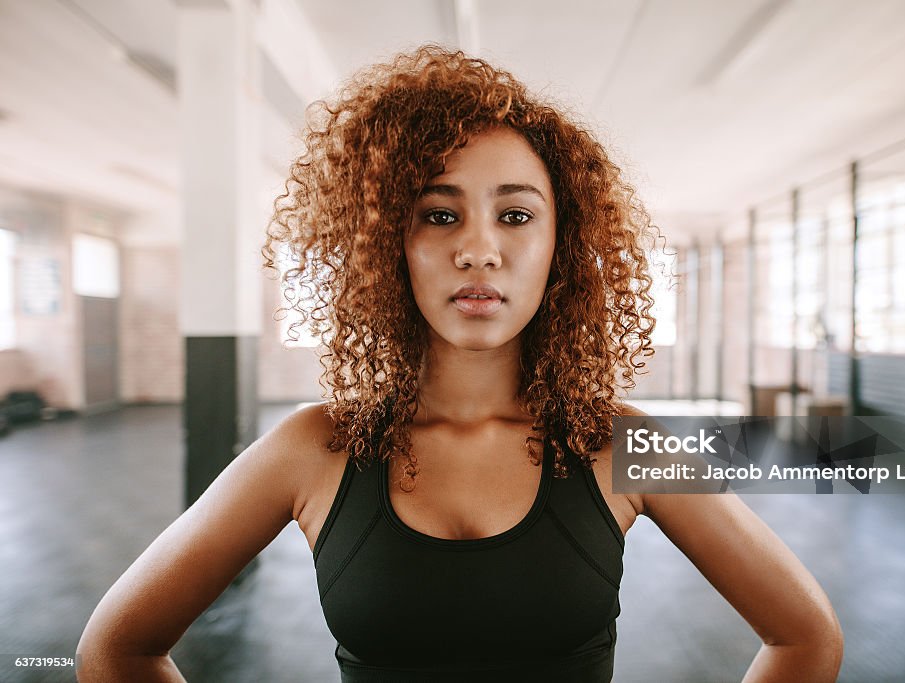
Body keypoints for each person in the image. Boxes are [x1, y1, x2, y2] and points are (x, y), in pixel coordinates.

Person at [77, 45, 843, 682]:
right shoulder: (313, 448)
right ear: (389, 246)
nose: (479, 246)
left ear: (560, 247)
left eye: (515, 214)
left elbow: (806, 637)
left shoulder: (623, 445)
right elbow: (115, 650)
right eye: (439, 214)